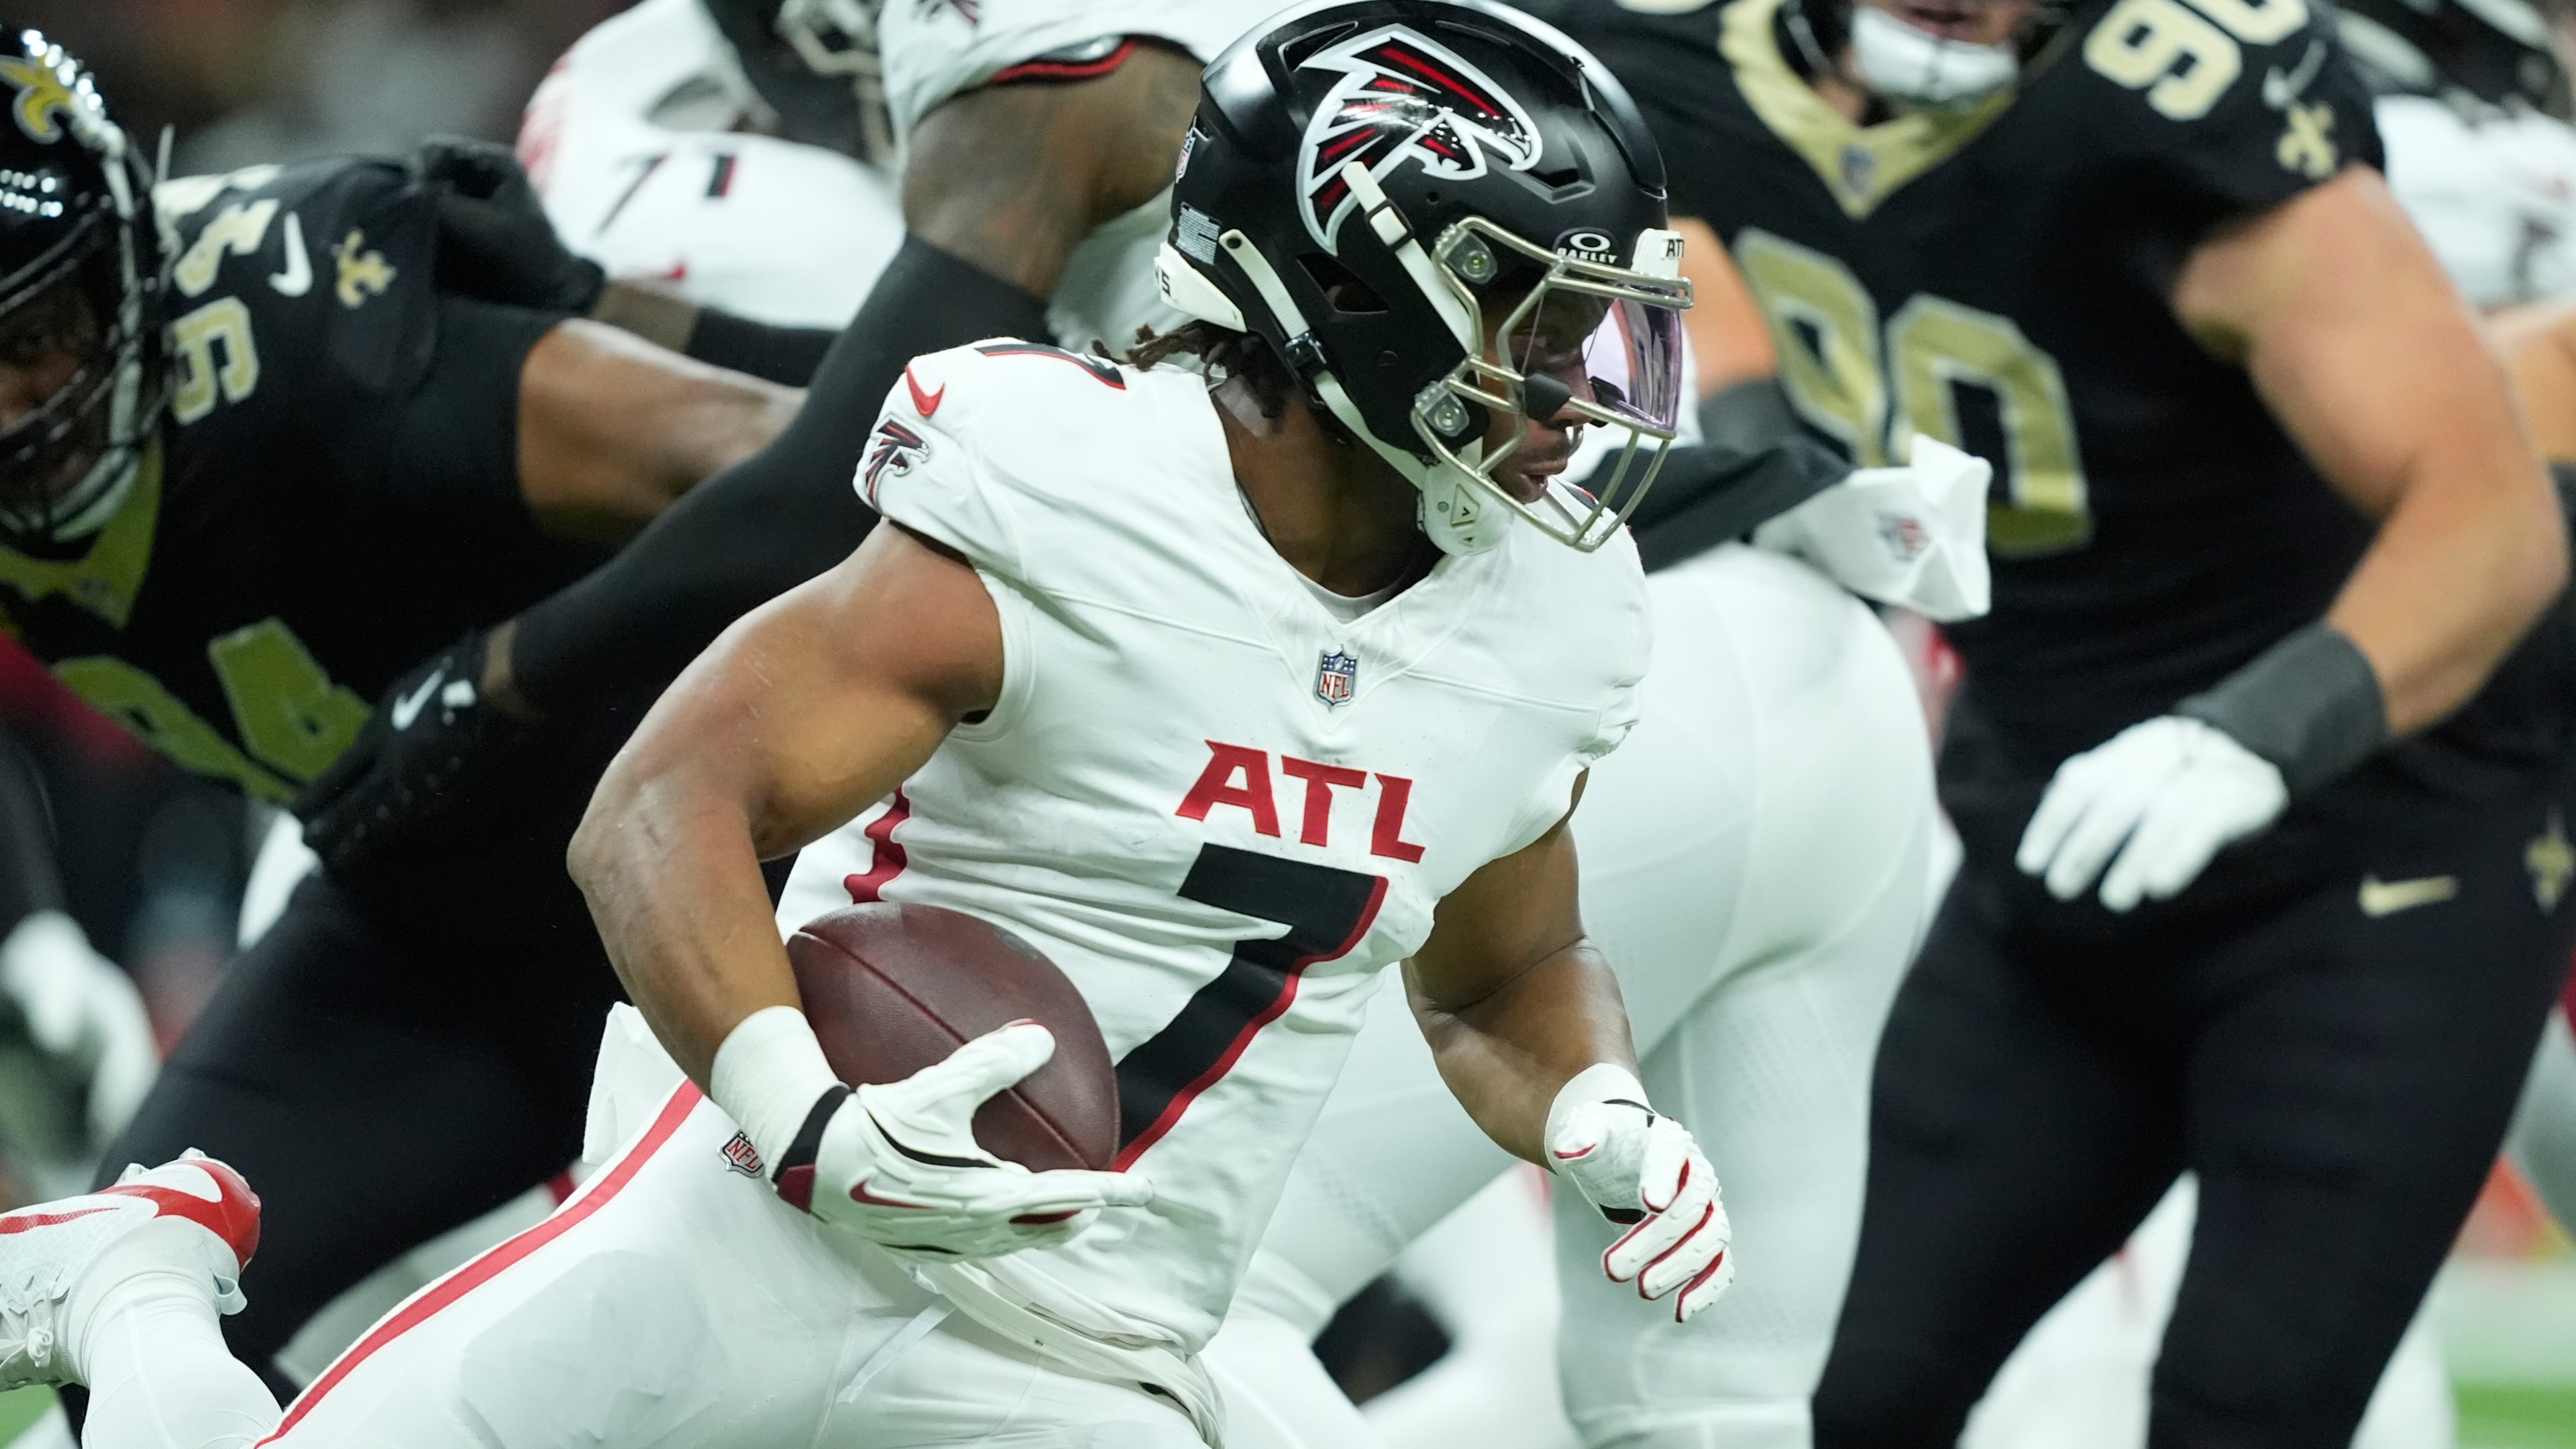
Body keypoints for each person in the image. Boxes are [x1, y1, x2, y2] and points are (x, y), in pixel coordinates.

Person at [0, 5, 1735, 1444]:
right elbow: (664, 802)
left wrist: (1594, 1106)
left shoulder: (1547, 622)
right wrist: (811, 1114)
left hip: (1087, 1334)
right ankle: (142, 1302)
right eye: (1537, 317)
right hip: (755, 1198)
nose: (1582, 380)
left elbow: (1509, 967)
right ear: (1348, 291)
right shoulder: (1073, 487)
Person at [1536, 0, 2576, 1444]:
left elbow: (2494, 522)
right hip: (2047, 841)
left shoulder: (2174, 111)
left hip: (2377, 862)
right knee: (1841, 1384)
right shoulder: (1681, 69)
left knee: (2247, 1409)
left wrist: (2258, 731)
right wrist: (1784, 458)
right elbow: (1711, 270)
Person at [0, 26, 818, 1400]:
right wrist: (25, 918)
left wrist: (516, 668)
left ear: (125, 255)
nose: (15, 414)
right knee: (122, 1323)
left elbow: (801, 471)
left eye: (33, 335)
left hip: (729, 893)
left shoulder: (307, 350)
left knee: (741, 1384)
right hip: (422, 935)